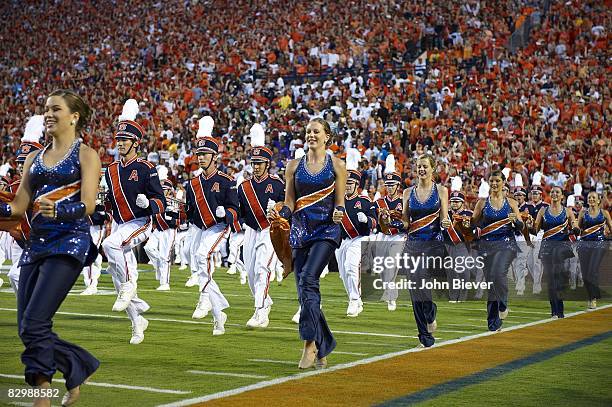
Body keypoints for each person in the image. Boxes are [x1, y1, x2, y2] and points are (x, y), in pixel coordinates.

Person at [0, 89, 101, 407]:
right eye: (46, 109)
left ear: (74, 116)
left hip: (69, 243)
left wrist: (61, 210)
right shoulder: (33, 158)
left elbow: (87, 204)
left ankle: (41, 394)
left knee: (35, 323)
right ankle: (78, 365)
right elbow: (17, 208)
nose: (48, 113)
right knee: (27, 328)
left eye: (56, 109)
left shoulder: (86, 154)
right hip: (36, 245)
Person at [268, 118, 346, 369]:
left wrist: (339, 212)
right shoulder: (293, 166)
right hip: (301, 232)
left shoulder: (337, 165)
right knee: (304, 291)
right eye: (308, 131)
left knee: (309, 280)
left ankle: (309, 344)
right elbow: (290, 201)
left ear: (327, 136)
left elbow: (340, 202)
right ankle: (325, 345)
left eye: (316, 131)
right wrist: (281, 214)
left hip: (326, 231)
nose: (311, 135)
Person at [102, 99, 166, 344]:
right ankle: (137, 322)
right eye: (118, 140)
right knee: (115, 276)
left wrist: (147, 204)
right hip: (120, 223)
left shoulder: (147, 167)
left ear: (135, 143)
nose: (120, 144)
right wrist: (102, 201)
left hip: (140, 221)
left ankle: (131, 285)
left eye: (124, 140)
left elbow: (161, 202)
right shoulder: (111, 169)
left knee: (110, 246)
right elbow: (111, 201)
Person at [388, 154, 450, 348]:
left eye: (424, 166)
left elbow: (444, 217)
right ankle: (424, 336)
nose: (421, 169)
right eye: (418, 166)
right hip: (413, 244)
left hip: (433, 245)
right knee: (415, 289)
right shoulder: (407, 193)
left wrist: (446, 223)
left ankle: (430, 311)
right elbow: (406, 222)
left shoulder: (441, 191)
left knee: (421, 280)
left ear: (433, 168)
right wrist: (394, 222)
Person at [186, 118, 241, 336]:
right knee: (196, 260)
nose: (200, 158)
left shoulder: (227, 180)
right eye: (198, 154)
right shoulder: (191, 183)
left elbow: (236, 209)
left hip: (218, 227)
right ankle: (219, 315)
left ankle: (204, 298)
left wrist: (225, 213)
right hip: (199, 228)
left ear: (214, 157)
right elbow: (189, 211)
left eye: (204, 154)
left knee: (202, 256)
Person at [237, 123, 285, 328]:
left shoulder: (276, 183)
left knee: (262, 268)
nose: (256, 166)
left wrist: (278, 210)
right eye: (253, 162)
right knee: (249, 271)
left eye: (260, 163)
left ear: (267, 164)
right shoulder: (244, 186)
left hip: (269, 230)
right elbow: (238, 211)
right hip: (250, 230)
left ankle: (261, 311)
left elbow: (287, 207)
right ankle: (264, 301)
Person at [471, 170, 523, 331]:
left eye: (497, 181)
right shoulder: (482, 203)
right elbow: (473, 224)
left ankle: (503, 304)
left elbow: (521, 226)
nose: (494, 184)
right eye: (492, 181)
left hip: (506, 245)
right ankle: (493, 323)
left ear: (504, 182)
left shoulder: (512, 203)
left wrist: (516, 222)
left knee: (498, 273)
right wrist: (471, 227)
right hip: (486, 246)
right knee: (491, 283)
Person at [5, 115, 45, 293]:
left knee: (17, 275)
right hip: (20, 242)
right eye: (20, 162)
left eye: (26, 162)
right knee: (16, 277)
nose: (22, 166)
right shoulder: (12, 187)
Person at [527, 186, 577, 318]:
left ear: (562, 196)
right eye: (552, 192)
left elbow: (575, 227)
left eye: (557, 192)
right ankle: (554, 310)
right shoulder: (543, 211)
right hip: (547, 247)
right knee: (550, 279)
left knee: (558, 277)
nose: (554, 194)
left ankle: (559, 309)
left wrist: (575, 228)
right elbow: (535, 231)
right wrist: (529, 226)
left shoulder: (567, 211)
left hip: (561, 247)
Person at [336, 163, 375, 317]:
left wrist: (367, 220)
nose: (347, 186)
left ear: (357, 185)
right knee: (343, 272)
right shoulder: (337, 200)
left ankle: (354, 298)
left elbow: (375, 221)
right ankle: (355, 299)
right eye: (345, 182)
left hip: (359, 238)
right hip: (342, 239)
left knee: (351, 265)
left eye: (350, 183)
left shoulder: (365, 201)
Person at [373, 155, 406, 311]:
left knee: (392, 264)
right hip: (382, 235)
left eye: (393, 185)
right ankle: (389, 289)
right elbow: (373, 221)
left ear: (398, 185)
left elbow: (407, 222)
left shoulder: (404, 201)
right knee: (380, 267)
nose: (390, 187)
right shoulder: (379, 202)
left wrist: (393, 219)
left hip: (398, 236)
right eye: (388, 184)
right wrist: (381, 217)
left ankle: (391, 296)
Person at [576, 191, 612, 309]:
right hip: (584, 245)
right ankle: (592, 295)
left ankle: (593, 298)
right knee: (585, 274)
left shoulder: (604, 213)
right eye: (589, 197)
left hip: (599, 244)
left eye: (593, 197)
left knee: (592, 270)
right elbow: (578, 229)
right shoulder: (583, 213)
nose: (591, 199)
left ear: (598, 200)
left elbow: (611, 229)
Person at [144, 179, 180, 291]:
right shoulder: (157, 200)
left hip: (169, 230)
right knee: (148, 248)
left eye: (164, 190)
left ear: (169, 191)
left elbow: (176, 220)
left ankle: (165, 283)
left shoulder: (174, 201)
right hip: (159, 229)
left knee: (165, 257)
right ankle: (158, 265)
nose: (161, 191)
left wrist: (170, 211)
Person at [80, 175, 110, 295]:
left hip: (96, 228)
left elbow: (107, 214)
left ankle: (92, 285)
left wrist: (99, 207)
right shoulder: (83, 192)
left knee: (89, 254)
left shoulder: (103, 195)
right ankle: (90, 281)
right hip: (84, 226)